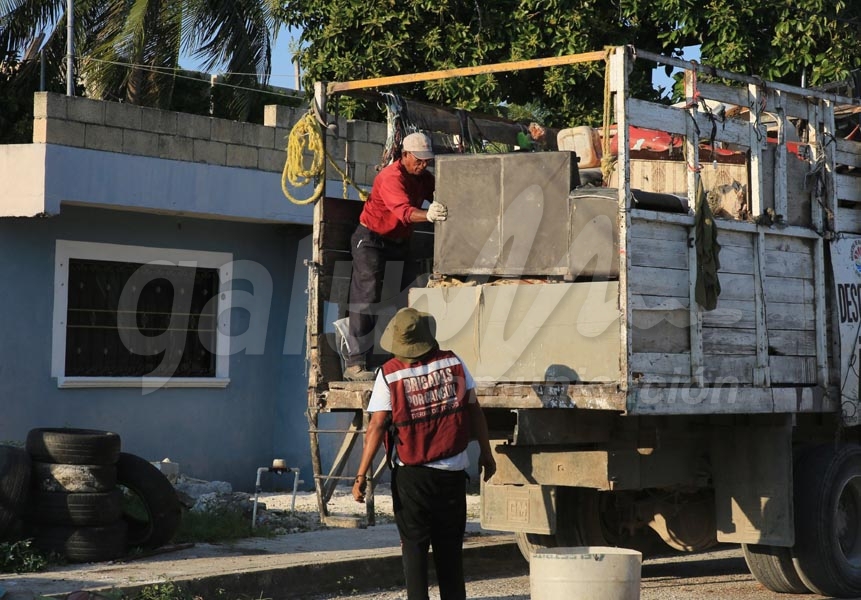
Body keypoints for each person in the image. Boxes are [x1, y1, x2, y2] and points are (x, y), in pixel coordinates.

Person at [351, 307, 497, 600]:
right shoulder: (453, 363)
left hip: (412, 477)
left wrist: (361, 475)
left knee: (414, 549)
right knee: (450, 552)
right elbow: (474, 410)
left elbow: (377, 425)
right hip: (452, 473)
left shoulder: (390, 374)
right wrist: (486, 453)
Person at [343, 132, 448, 381]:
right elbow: (404, 212)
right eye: (419, 160)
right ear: (405, 155)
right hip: (371, 241)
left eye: (427, 161)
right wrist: (429, 215)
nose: (423, 165)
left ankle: (404, 357)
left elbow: (444, 192)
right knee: (367, 295)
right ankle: (355, 363)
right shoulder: (391, 177)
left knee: (409, 295)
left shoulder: (423, 178)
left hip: (398, 242)